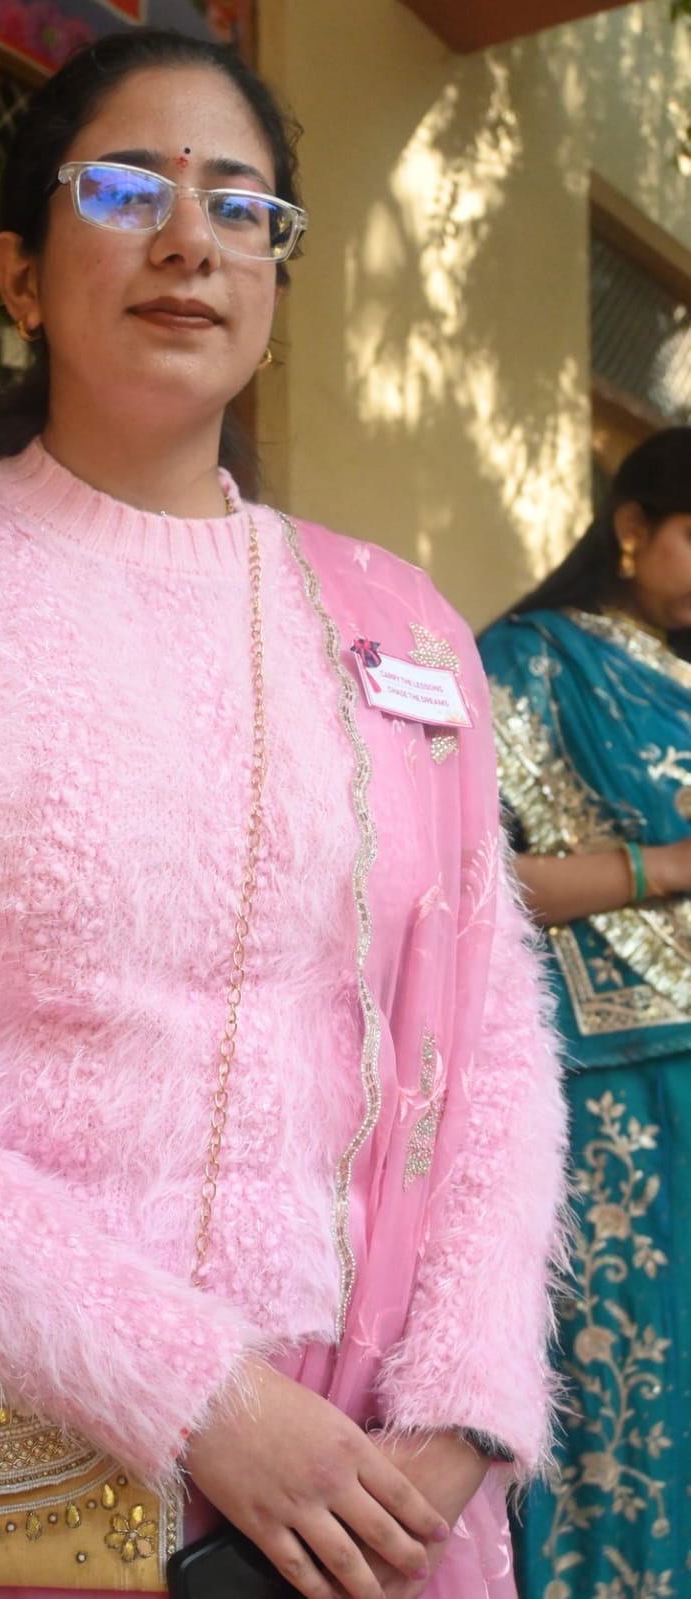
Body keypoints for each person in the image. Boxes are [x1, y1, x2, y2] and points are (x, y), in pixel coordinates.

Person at [0, 29, 565, 1599]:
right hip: (11, 1442)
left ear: (276, 275)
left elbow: (490, 1040)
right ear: (19, 274)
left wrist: (466, 1397)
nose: (187, 239)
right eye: (123, 191)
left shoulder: (394, 623)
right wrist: (198, 1392)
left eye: (240, 206)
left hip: (371, 1472)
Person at [478, 428, 691, 1598]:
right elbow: (460, 872)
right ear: (631, 525)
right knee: (619, 1385)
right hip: (610, 1091)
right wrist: (662, 867)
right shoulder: (527, 663)